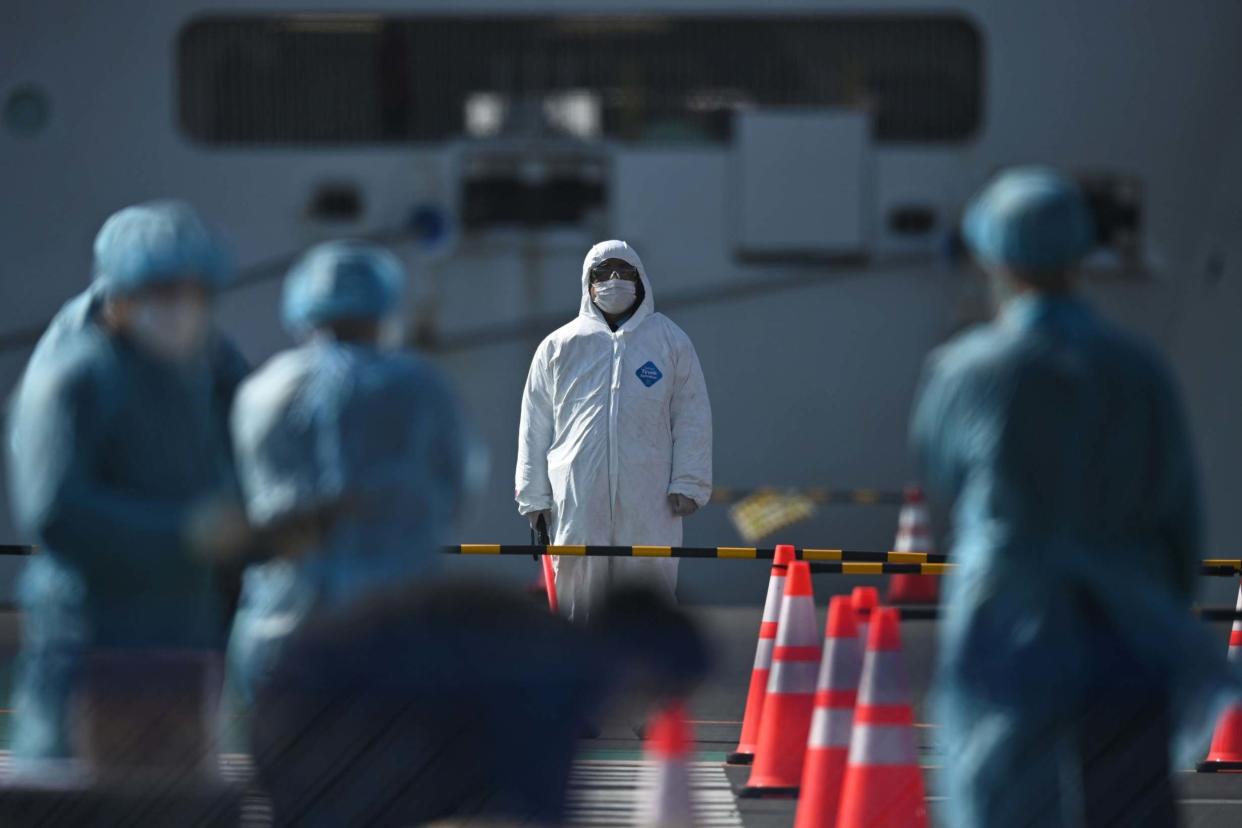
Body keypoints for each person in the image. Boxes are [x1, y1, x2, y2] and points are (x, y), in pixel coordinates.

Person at [914, 167, 1239, 826]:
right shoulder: (1138, 367)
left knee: (1003, 795)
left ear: (993, 257)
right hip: (1126, 617)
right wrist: (1162, 609)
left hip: (1012, 614)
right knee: (1127, 799)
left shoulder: (967, 370)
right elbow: (1178, 510)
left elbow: (941, 475)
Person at [6, 200, 250, 769]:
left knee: (175, 796)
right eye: (162, 291)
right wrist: (185, 535)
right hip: (93, 635)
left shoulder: (200, 365)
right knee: (77, 794)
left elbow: (243, 437)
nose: (181, 310)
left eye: (195, 292)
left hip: (183, 634)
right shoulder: (72, 378)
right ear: (119, 292)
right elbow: (57, 511)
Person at [227, 240, 469, 702]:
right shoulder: (418, 387)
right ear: (385, 307)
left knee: (286, 759)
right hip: (394, 625)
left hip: (284, 622)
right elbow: (456, 483)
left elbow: (243, 496)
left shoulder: (263, 391)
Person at [515, 240, 712, 621]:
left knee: (648, 585)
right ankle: (577, 669)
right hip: (576, 494)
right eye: (603, 274)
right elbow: (534, 422)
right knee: (577, 586)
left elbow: (692, 414)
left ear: (641, 281)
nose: (614, 280)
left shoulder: (669, 342)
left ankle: (649, 672)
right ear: (588, 284)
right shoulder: (560, 345)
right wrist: (533, 495)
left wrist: (689, 482)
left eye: (624, 272)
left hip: (650, 496)